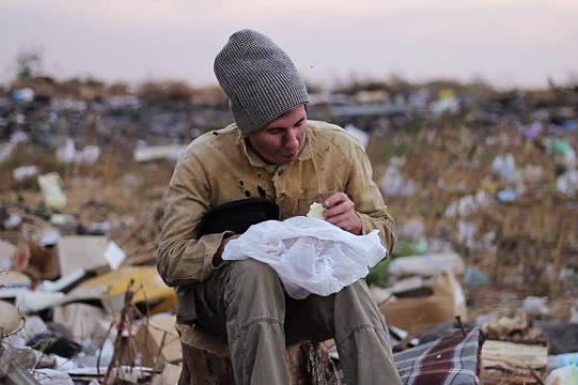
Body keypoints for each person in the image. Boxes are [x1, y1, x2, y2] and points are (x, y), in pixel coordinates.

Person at [158, 29, 402, 385]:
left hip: (304, 306)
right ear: (246, 129)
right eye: (276, 132)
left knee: (347, 281)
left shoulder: (338, 149)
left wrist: (357, 224)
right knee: (252, 271)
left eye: (299, 124)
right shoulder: (204, 161)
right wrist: (229, 247)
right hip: (227, 311)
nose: (292, 141)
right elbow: (170, 260)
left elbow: (387, 234)